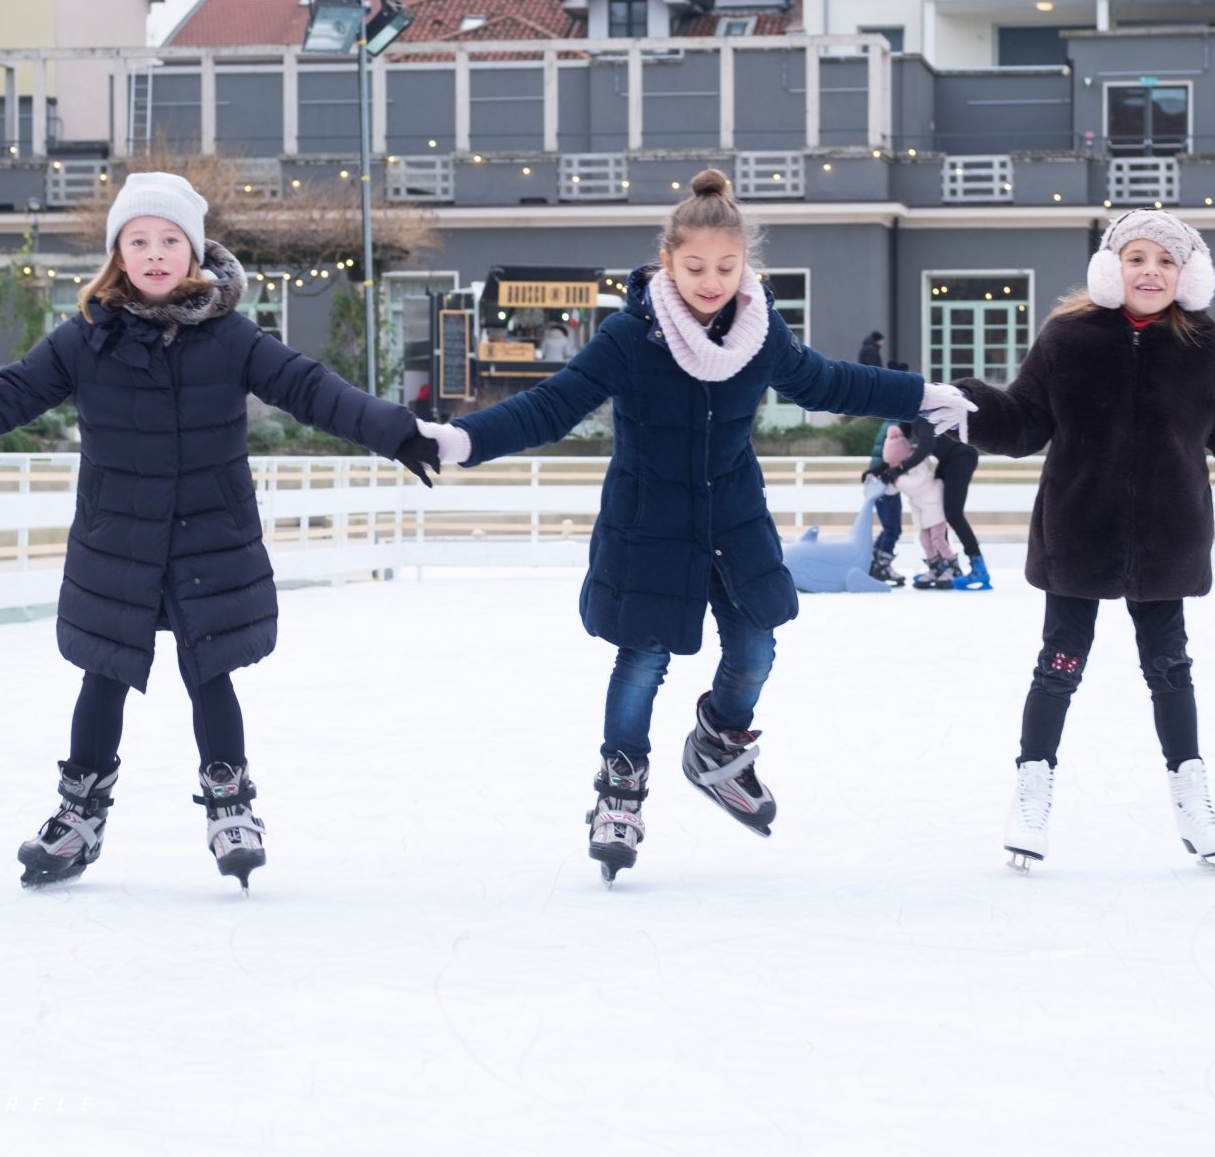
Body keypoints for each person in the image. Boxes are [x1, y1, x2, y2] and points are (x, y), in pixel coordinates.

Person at [0, 172, 440, 890]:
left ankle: (231, 808)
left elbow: (313, 389)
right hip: (118, 538)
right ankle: (78, 818)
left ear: (193, 252)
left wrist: (397, 433)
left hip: (207, 535)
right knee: (105, 672)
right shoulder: (84, 341)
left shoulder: (232, 338)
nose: (154, 254)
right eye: (138, 241)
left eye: (169, 240)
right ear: (119, 255)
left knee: (209, 669)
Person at [414, 169, 974, 884]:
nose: (711, 281)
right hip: (649, 519)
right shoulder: (629, 337)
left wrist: (920, 394)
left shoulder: (759, 333)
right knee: (643, 659)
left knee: (755, 649)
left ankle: (717, 744)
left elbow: (829, 382)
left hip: (733, 517)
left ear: (746, 264)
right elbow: (552, 406)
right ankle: (620, 791)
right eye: (696, 266)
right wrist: (463, 440)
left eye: (726, 266)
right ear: (668, 260)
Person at [954, 209, 1215, 870]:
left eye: (1166, 261)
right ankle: (1032, 790)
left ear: (1186, 275)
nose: (1150, 271)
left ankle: (1191, 793)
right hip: (1079, 531)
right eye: (1137, 257)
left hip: (1168, 537)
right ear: (1112, 268)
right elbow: (1022, 423)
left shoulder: (1206, 348)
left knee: (1170, 668)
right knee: (1059, 663)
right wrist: (962, 404)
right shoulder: (1068, 339)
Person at [882, 412, 988, 590]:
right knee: (939, 511)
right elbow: (900, 448)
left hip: (962, 457)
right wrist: (880, 470)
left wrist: (900, 469)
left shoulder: (921, 414)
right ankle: (941, 566)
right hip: (947, 460)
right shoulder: (906, 416)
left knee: (953, 514)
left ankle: (978, 567)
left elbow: (926, 445)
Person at [879, 424, 958, 576]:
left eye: (894, 463)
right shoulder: (900, 470)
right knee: (924, 539)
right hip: (921, 509)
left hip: (933, 503)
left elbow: (919, 481)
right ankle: (934, 566)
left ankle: (951, 566)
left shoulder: (917, 462)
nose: (893, 466)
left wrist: (896, 479)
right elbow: (894, 488)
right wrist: (883, 485)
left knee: (937, 538)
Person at [861, 413, 907, 587]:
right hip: (884, 483)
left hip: (879, 480)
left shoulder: (890, 422)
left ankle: (875, 562)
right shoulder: (899, 424)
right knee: (893, 529)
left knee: (890, 528)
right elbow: (892, 456)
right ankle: (880, 565)